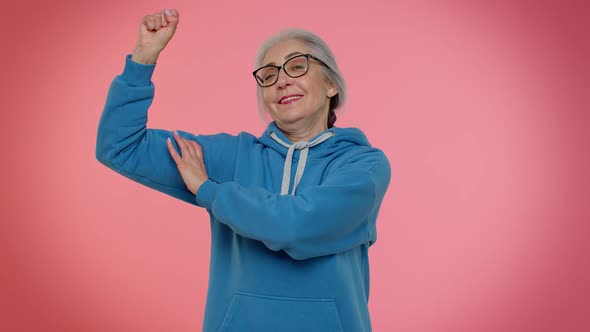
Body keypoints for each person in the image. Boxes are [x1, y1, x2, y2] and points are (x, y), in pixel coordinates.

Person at [96, 8, 391, 332]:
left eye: (297, 66)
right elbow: (121, 146)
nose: (281, 81)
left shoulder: (363, 165)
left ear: (331, 85)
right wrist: (143, 58)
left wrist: (208, 190)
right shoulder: (233, 158)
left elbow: (298, 226)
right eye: (268, 75)